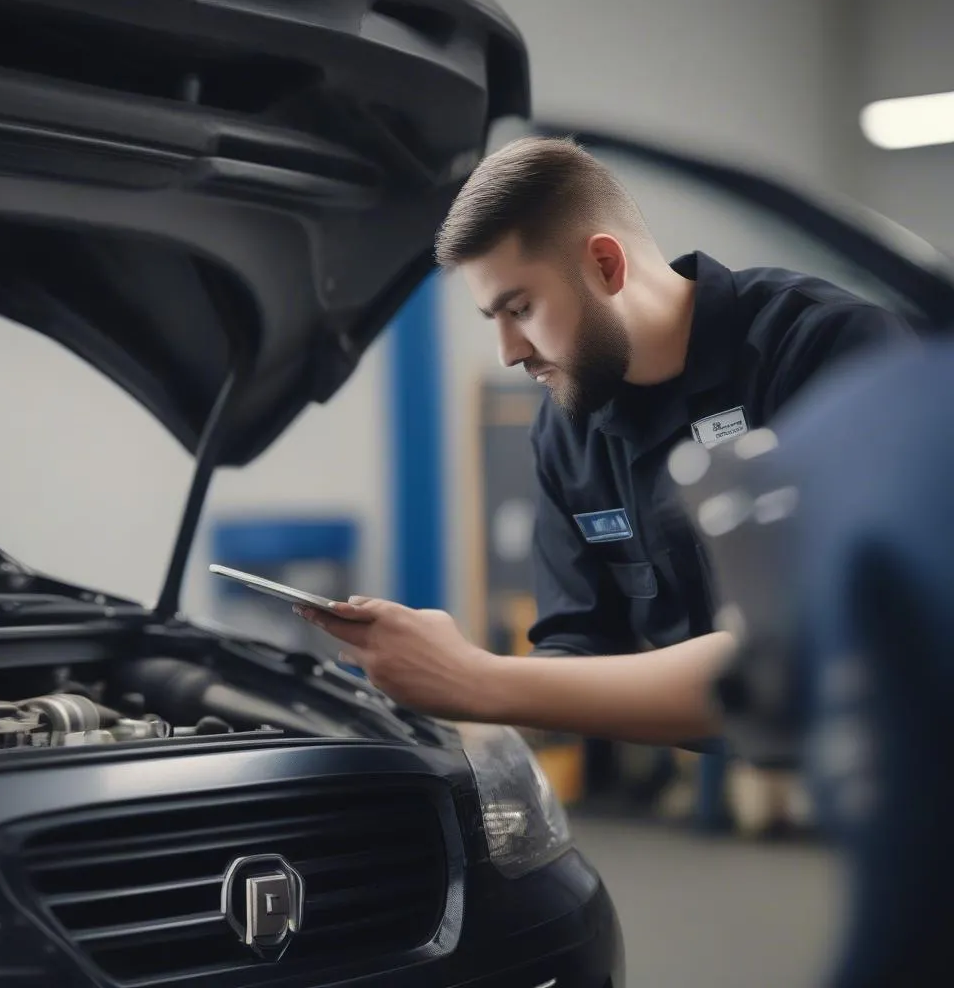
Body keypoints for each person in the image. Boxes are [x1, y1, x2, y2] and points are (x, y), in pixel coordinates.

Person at [294, 135, 914, 747]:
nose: (509, 353)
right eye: (496, 320)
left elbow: (805, 651)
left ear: (606, 265)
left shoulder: (828, 351)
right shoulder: (565, 429)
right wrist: (417, 701)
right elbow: (576, 651)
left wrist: (476, 680)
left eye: (521, 309)